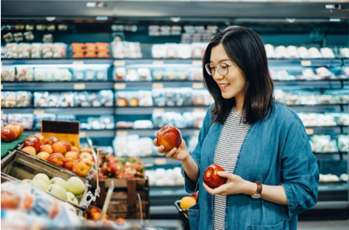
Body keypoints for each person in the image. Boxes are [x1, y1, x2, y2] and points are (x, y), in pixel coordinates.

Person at [154, 26, 319, 230]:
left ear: (249, 64)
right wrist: (186, 158)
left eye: (225, 66)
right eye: (212, 67)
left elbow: (305, 191)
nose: (217, 75)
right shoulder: (214, 115)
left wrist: (251, 188)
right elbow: (199, 177)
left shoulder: (285, 122)